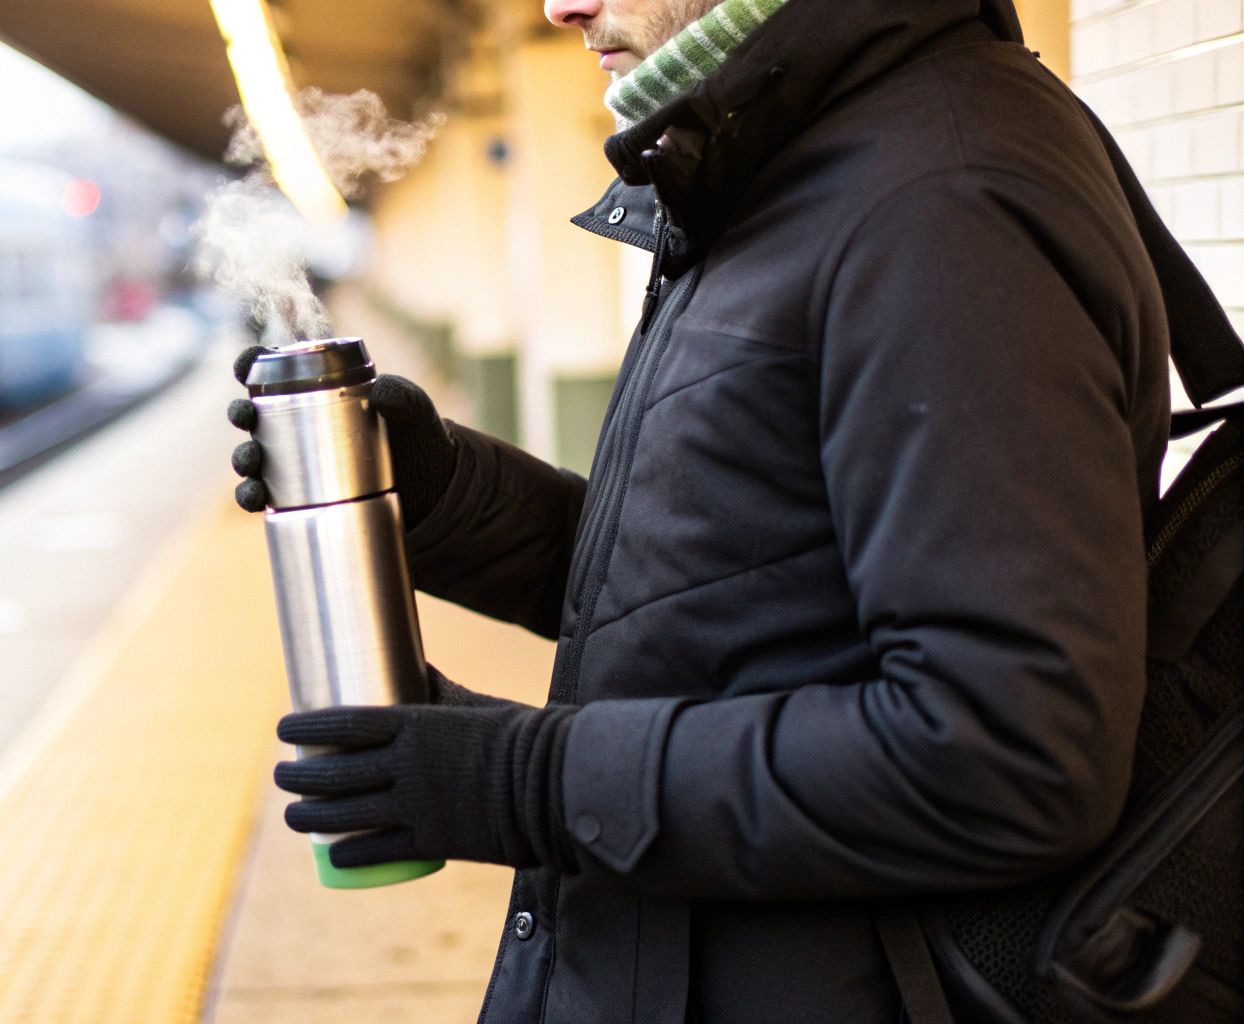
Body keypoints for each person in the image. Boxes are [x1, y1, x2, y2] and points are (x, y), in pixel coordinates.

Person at [224, 0, 1173, 1020]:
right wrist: (449, 496)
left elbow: (1002, 757)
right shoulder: (793, 167)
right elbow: (729, 596)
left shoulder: (939, 201)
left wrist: (523, 783)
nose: (559, 7)